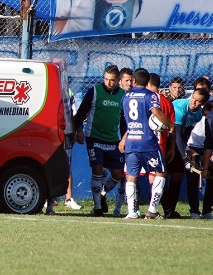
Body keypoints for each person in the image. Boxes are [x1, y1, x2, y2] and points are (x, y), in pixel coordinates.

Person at [118, 68, 175, 219]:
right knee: (161, 172)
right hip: (147, 141)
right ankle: (152, 210)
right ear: (147, 81)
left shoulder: (126, 96)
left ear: (134, 81)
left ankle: (132, 212)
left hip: (131, 141)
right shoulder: (151, 95)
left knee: (131, 176)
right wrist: (170, 124)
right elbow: (156, 112)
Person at [73, 65, 126, 217]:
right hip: (94, 137)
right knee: (97, 170)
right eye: (106, 79)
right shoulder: (94, 91)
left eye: (112, 80)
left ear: (118, 80)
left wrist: (123, 139)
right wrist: (80, 130)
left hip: (114, 140)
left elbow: (124, 120)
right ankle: (97, 207)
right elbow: (81, 112)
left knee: (117, 174)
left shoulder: (123, 95)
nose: (109, 83)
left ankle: (102, 194)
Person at [166, 87, 210, 219]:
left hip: (181, 142)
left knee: (177, 176)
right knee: (164, 175)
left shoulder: (199, 113)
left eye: (198, 101)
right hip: (169, 138)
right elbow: (177, 135)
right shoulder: (179, 107)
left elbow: (190, 135)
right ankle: (164, 209)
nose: (193, 102)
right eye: (193, 98)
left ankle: (171, 210)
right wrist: (185, 157)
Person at [183, 100, 213, 220]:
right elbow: (202, 146)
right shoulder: (204, 123)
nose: (206, 117)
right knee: (192, 180)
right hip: (196, 149)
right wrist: (202, 161)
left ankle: (207, 211)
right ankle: (194, 211)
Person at [112, 66, 133, 216]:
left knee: (125, 176)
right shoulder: (117, 97)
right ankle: (102, 192)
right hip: (115, 139)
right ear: (120, 81)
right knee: (117, 173)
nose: (130, 83)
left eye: (131, 80)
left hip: (132, 140)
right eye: (127, 80)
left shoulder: (134, 96)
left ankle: (118, 208)